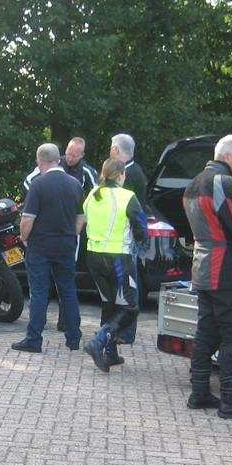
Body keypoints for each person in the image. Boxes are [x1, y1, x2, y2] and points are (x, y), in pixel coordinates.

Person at [182, 134, 232, 419]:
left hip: (202, 267)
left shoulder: (193, 183)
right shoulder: (226, 184)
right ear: (227, 156)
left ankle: (199, 392)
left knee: (206, 334)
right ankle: (230, 401)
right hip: (225, 269)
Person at [11, 143, 84, 353]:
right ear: (59, 160)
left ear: (39, 161)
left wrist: (25, 237)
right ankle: (74, 338)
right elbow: (81, 217)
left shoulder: (38, 185)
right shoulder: (75, 184)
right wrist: (72, 234)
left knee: (39, 292)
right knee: (68, 290)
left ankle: (34, 339)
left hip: (41, 245)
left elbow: (27, 218)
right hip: (66, 244)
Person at [81, 157, 148, 371]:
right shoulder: (126, 196)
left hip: (94, 256)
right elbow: (142, 228)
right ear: (120, 175)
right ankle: (99, 341)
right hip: (118, 257)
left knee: (109, 305)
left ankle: (110, 354)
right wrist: (141, 241)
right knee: (130, 307)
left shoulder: (92, 194)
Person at [109, 133, 148, 345]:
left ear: (116, 150)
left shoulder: (129, 174)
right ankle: (118, 329)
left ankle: (125, 331)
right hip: (125, 237)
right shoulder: (134, 171)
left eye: (111, 148)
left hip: (127, 238)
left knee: (128, 287)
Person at [24, 136, 98, 196]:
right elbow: (28, 181)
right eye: (69, 154)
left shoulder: (88, 172)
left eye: (74, 156)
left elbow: (96, 195)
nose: (70, 159)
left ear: (82, 155)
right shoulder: (52, 164)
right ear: (66, 149)